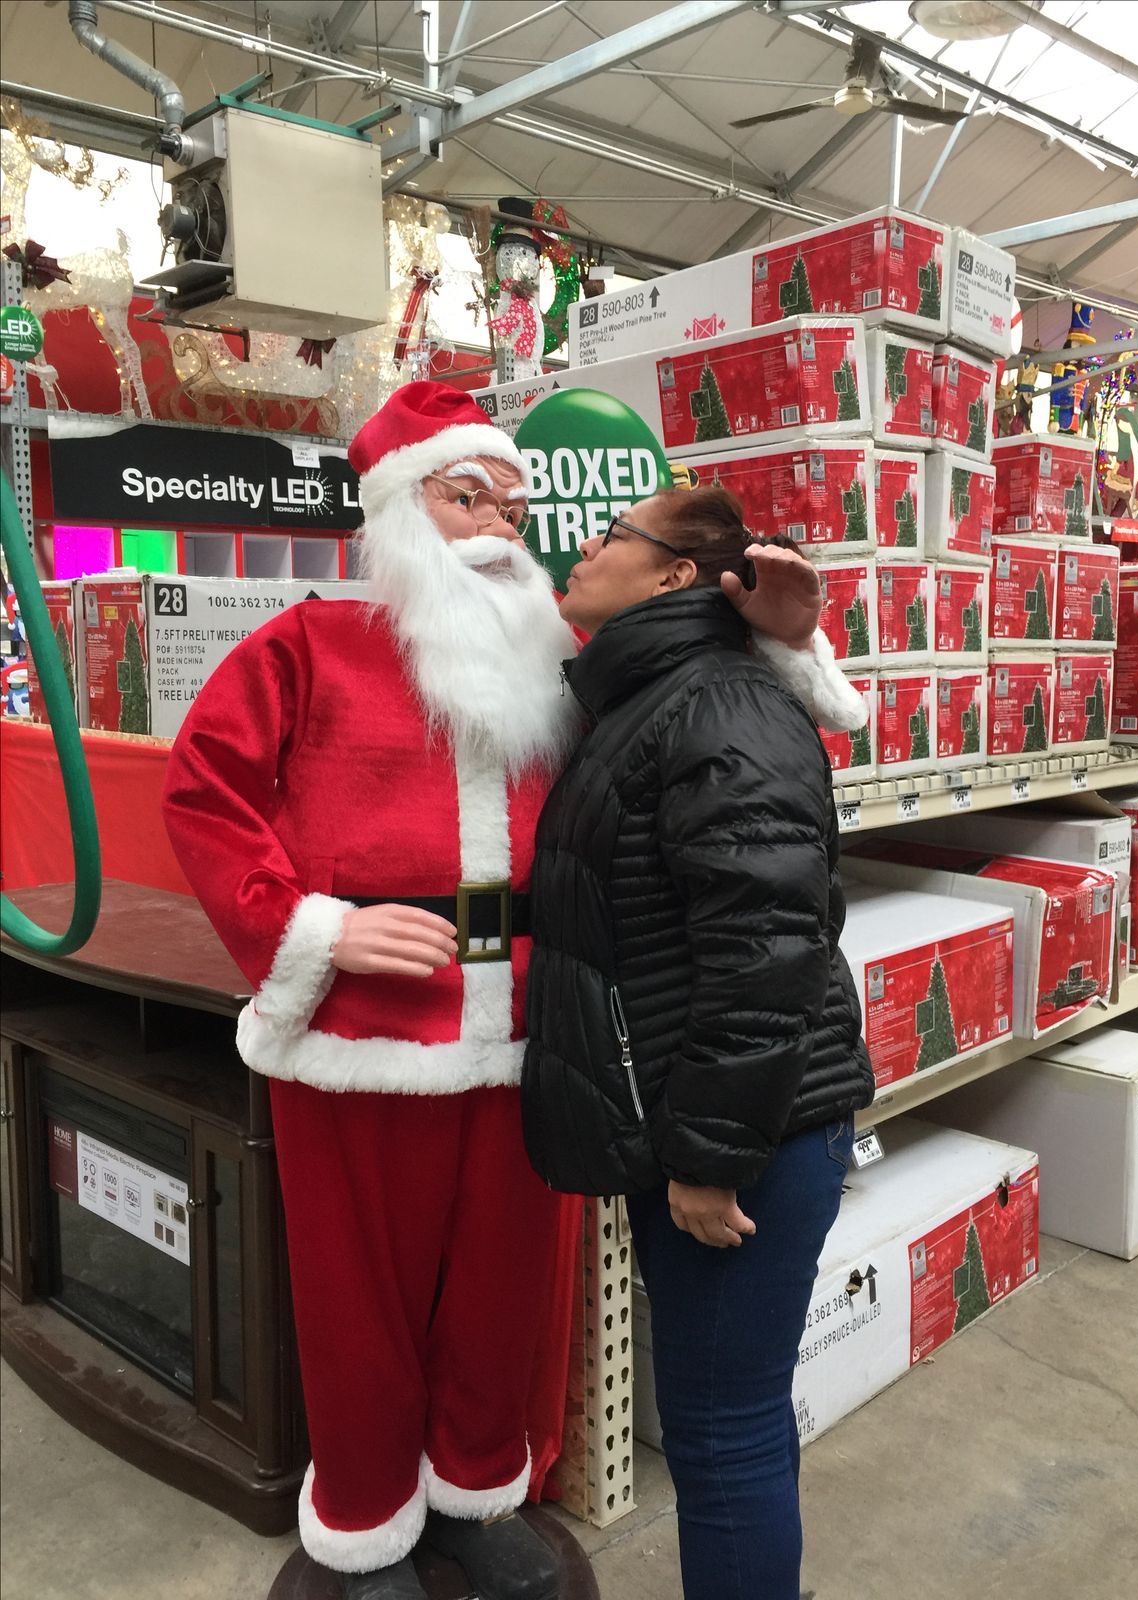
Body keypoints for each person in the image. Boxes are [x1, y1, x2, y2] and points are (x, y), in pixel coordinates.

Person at [162, 384, 863, 1600]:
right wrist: (313, 927)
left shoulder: (572, 663)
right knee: (357, 1300)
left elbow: (754, 746)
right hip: (364, 1035)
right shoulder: (308, 645)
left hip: (538, 1035)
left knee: (502, 1294)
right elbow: (203, 794)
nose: (499, 527)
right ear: (400, 507)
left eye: (514, 507)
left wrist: (783, 639)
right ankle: (366, 1519)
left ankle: (477, 1488)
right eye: (467, 496)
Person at [522, 486, 876, 1600]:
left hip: (746, 1139)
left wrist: (711, 1157)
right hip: (712, 1117)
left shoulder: (718, 706)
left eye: (613, 534)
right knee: (738, 1416)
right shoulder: (657, 699)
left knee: (721, 1433)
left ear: (677, 575)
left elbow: (765, 953)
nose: (584, 545)